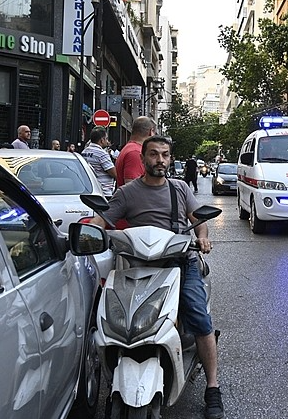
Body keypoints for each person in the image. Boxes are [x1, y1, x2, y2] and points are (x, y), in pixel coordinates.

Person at [88, 136, 224, 418]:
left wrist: (202, 238)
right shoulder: (127, 193)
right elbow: (101, 221)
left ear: (170, 159)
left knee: (199, 317)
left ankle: (213, 387)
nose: (160, 160)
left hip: (179, 263)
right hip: (136, 266)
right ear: (143, 159)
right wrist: (89, 233)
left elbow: (199, 220)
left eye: (164, 155)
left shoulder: (180, 189)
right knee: (108, 316)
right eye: (153, 155)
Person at [81, 127, 116, 196]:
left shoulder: (84, 152)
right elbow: (114, 173)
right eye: (106, 138)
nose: (107, 141)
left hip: (90, 190)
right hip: (104, 191)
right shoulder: (102, 154)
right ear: (102, 140)